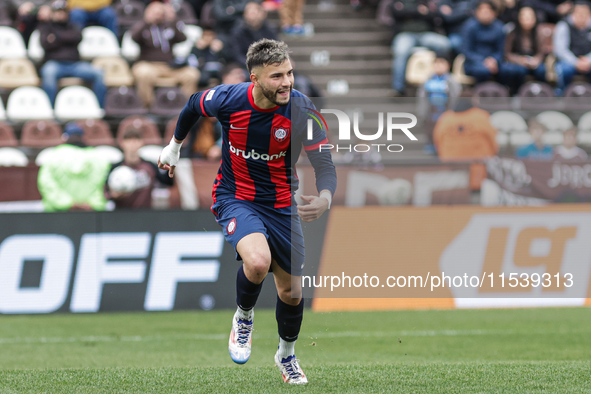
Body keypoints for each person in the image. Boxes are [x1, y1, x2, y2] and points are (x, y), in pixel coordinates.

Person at [157, 38, 336, 384]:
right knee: (257, 261)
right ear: (254, 78)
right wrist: (174, 146)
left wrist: (325, 197)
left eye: (289, 73)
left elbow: (324, 164)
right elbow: (194, 104)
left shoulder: (303, 110)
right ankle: (244, 316)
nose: (286, 82)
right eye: (276, 76)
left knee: (292, 292)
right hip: (235, 196)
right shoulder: (229, 98)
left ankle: (286, 355)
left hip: (282, 203)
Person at [130, 1, 200, 107]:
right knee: (143, 73)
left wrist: (173, 19)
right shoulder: (144, 26)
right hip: (149, 65)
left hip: (170, 66)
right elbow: (134, 38)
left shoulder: (169, 26)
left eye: (160, 12)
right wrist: (147, 21)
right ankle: (148, 106)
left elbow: (183, 38)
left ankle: (186, 108)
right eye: (155, 12)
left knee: (192, 74)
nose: (158, 14)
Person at [39, 0, 107, 106]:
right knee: (48, 73)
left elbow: (77, 37)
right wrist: (67, 38)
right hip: (55, 64)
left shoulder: (73, 25)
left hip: (75, 64)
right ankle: (49, 109)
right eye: (57, 12)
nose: (60, 14)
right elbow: (45, 44)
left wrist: (57, 37)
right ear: (52, 13)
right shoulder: (46, 27)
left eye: (63, 12)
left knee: (98, 73)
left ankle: (100, 108)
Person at [37, 122, 110, 212]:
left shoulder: (51, 157)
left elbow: (46, 184)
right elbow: (104, 187)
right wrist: (91, 204)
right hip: (93, 216)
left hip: (57, 216)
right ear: (83, 137)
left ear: (64, 137)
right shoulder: (100, 158)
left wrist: (68, 203)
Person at [390, 0, 452, 95]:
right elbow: (397, 13)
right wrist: (418, 11)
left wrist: (409, 12)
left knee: (445, 44)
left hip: (425, 34)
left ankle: (442, 81)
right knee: (400, 51)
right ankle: (398, 88)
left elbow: (434, 15)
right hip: (405, 34)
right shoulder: (398, 1)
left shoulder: (426, 1)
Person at [106, 129, 174, 209]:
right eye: (128, 140)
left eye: (136, 140)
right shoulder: (115, 168)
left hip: (144, 214)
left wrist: (171, 164)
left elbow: (168, 182)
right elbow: (106, 192)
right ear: (122, 143)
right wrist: (113, 195)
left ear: (142, 143)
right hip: (122, 213)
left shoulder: (149, 166)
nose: (132, 144)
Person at [462, 0, 517, 84]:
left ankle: (505, 93)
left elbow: (501, 50)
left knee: (510, 70)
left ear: (494, 13)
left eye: (488, 11)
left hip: (495, 61)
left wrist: (494, 60)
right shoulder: (469, 27)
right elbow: (467, 51)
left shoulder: (499, 27)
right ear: (476, 12)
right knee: (482, 71)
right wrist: (484, 61)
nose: (485, 14)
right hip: (474, 62)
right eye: (482, 11)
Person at [417, 56, 462, 148]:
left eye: (441, 63)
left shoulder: (452, 81)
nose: (438, 66)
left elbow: (455, 96)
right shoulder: (427, 80)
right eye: (436, 63)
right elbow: (422, 96)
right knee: (431, 129)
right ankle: (431, 144)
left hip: (445, 110)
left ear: (448, 66)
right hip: (431, 111)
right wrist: (422, 111)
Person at [503, 6, 547, 88]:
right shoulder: (513, 32)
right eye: (525, 17)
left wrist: (536, 60)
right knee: (519, 71)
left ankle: (540, 92)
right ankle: (517, 92)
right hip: (518, 60)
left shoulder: (538, 32)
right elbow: (507, 53)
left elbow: (541, 52)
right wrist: (520, 60)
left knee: (541, 70)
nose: (527, 20)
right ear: (519, 18)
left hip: (533, 60)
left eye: (530, 17)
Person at [553, 1, 591, 94]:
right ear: (573, 13)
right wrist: (576, 62)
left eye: (584, 13)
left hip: (588, 61)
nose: (581, 16)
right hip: (569, 61)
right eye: (579, 13)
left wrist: (588, 61)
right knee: (564, 70)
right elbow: (560, 50)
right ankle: (562, 95)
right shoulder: (563, 25)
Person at [229, 2, 278, 66]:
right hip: (246, 66)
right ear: (244, 15)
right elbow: (237, 55)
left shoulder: (270, 30)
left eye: (255, 12)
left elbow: (276, 49)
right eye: (250, 13)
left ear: (263, 14)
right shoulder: (238, 31)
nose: (253, 16)